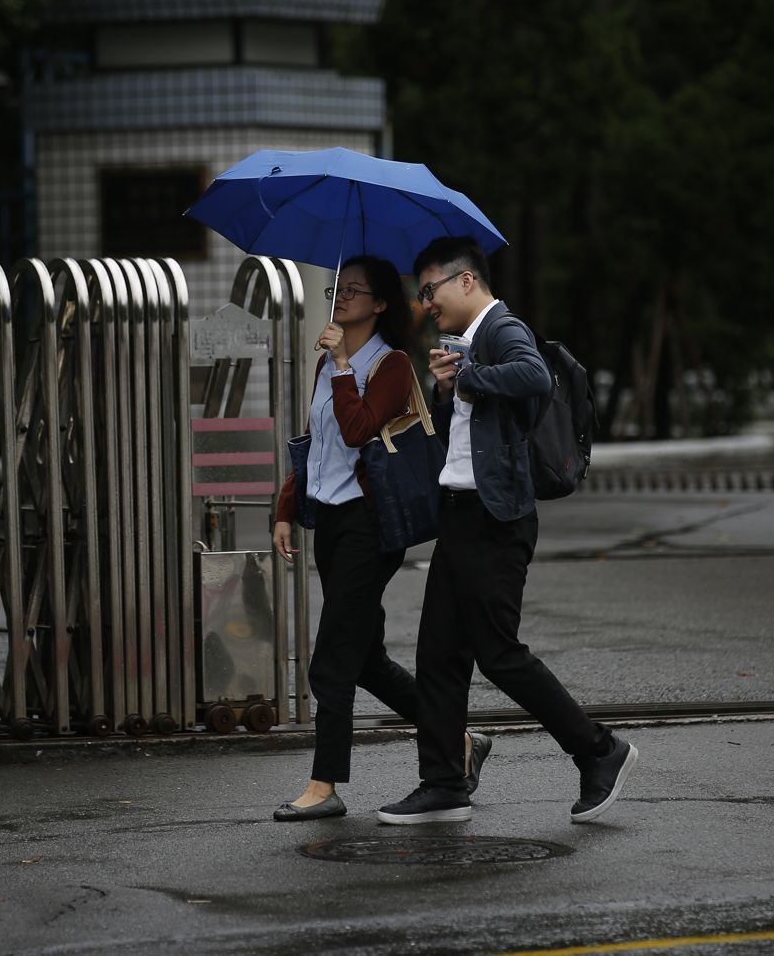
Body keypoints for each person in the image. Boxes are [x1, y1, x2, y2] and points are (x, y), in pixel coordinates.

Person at [376, 237, 637, 825]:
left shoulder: (500, 328)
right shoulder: (469, 343)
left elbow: (533, 376)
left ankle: (600, 751)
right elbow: (468, 433)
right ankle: (443, 782)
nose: (425, 304)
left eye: (430, 290)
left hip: (496, 520)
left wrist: (467, 374)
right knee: (439, 654)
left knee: (498, 653)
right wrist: (449, 389)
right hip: (464, 513)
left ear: (466, 281)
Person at [270, 255, 492, 821]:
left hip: (372, 528)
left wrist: (342, 363)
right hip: (332, 523)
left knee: (332, 660)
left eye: (355, 290)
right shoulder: (329, 364)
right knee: (365, 660)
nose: (340, 297)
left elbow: (358, 429)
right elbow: (319, 444)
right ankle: (459, 740)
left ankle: (324, 787)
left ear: (381, 303)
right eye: (337, 288)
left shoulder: (390, 365)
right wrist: (285, 508)